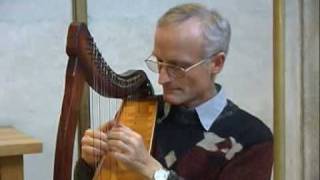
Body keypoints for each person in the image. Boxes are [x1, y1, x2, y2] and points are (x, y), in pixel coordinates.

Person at [74, 3, 273, 180]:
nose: (162, 79)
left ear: (216, 63)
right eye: (159, 62)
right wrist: (89, 164)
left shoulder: (252, 138)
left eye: (177, 67)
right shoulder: (143, 111)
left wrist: (154, 172)